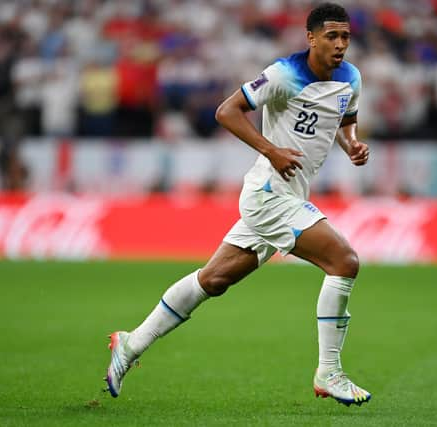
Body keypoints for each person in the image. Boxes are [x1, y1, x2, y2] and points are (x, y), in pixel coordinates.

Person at [104, 3, 371, 407]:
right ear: (311, 37)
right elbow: (226, 111)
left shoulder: (351, 77)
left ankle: (130, 343)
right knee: (344, 262)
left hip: (291, 195)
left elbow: (345, 118)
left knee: (213, 280)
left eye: (345, 36)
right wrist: (271, 149)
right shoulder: (283, 74)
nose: (340, 44)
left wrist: (351, 145)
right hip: (269, 193)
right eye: (331, 36)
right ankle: (329, 371)